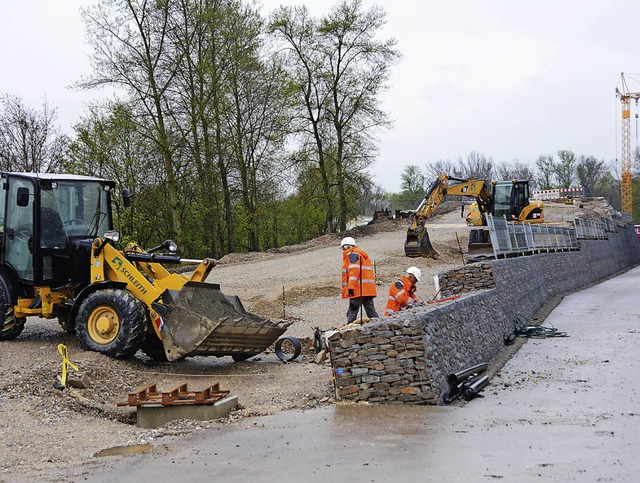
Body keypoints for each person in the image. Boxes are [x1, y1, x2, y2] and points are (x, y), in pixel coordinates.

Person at [340, 237, 379, 324]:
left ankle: (349, 331)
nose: (342, 250)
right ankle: (379, 326)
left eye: (343, 248)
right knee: (371, 312)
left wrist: (350, 288)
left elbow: (354, 272)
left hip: (358, 290)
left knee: (352, 311)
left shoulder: (353, 255)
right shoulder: (361, 255)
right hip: (367, 290)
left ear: (347, 246)